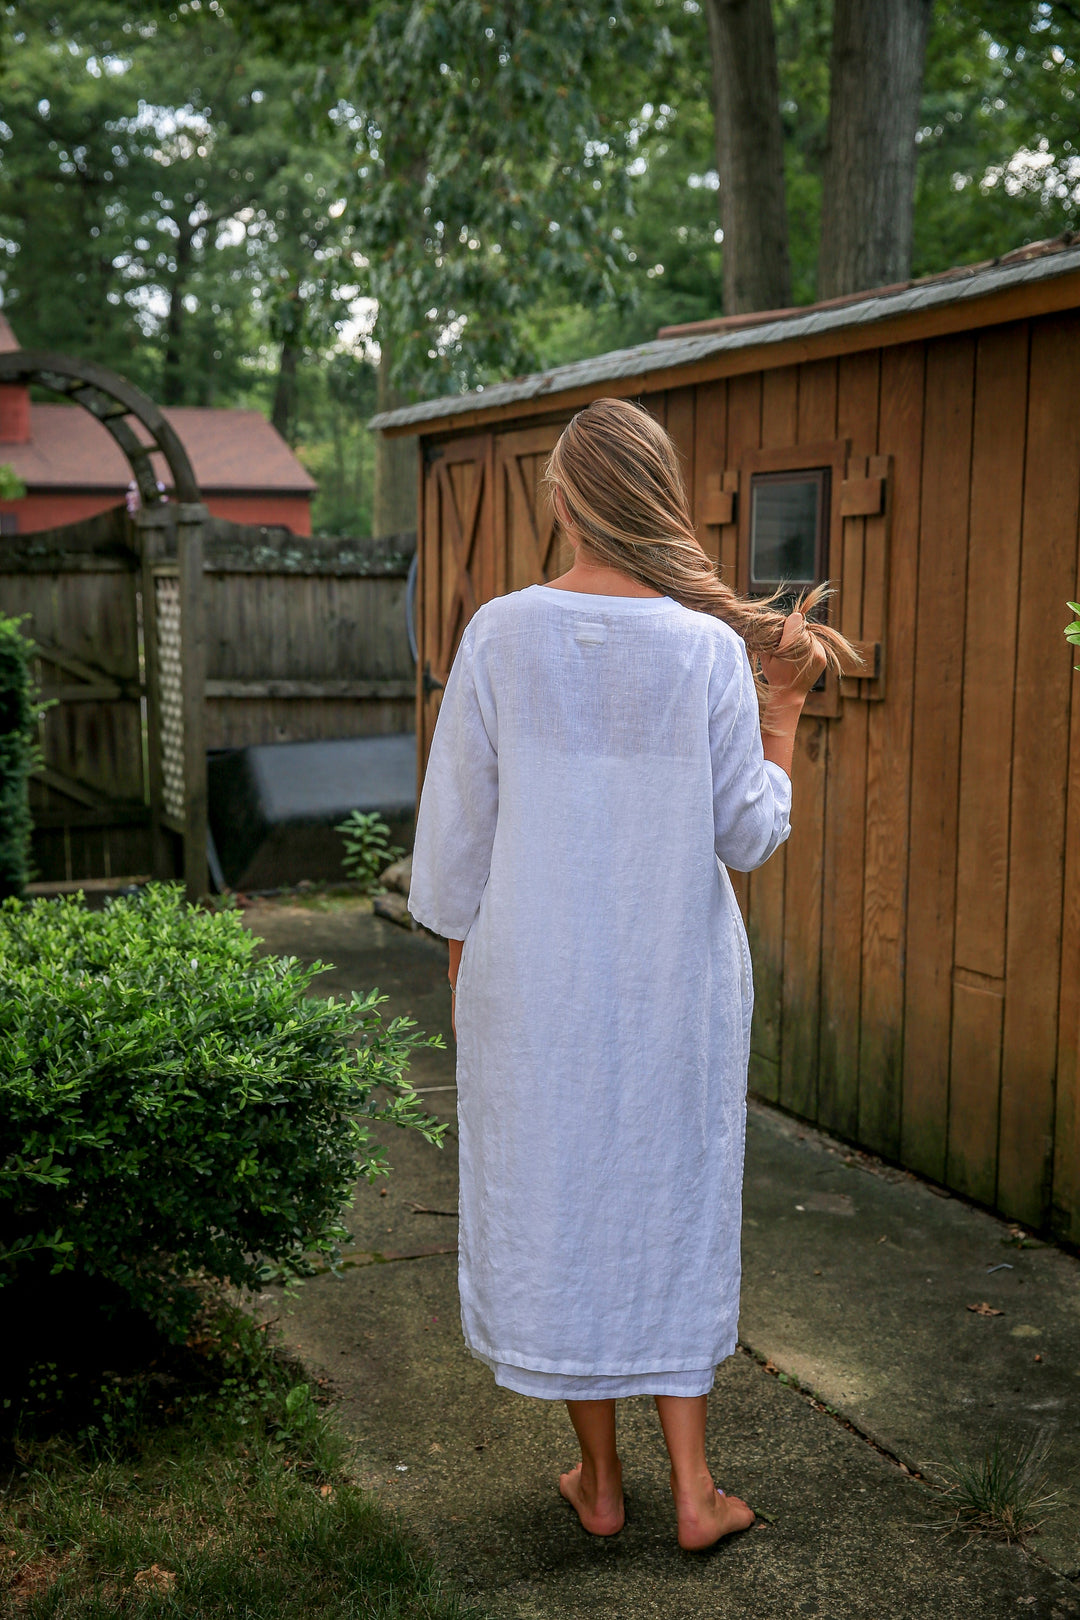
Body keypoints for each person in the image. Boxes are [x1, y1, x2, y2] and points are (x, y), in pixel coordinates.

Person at [407, 397, 859, 1551]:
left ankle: (600, 1485)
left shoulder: (500, 635)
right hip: (675, 989)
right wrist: (787, 714)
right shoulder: (708, 651)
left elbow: (457, 830)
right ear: (659, 502)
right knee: (669, 1203)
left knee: (565, 1205)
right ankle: (697, 1494)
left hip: (533, 979)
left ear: (563, 501)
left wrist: (462, 947)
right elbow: (747, 836)